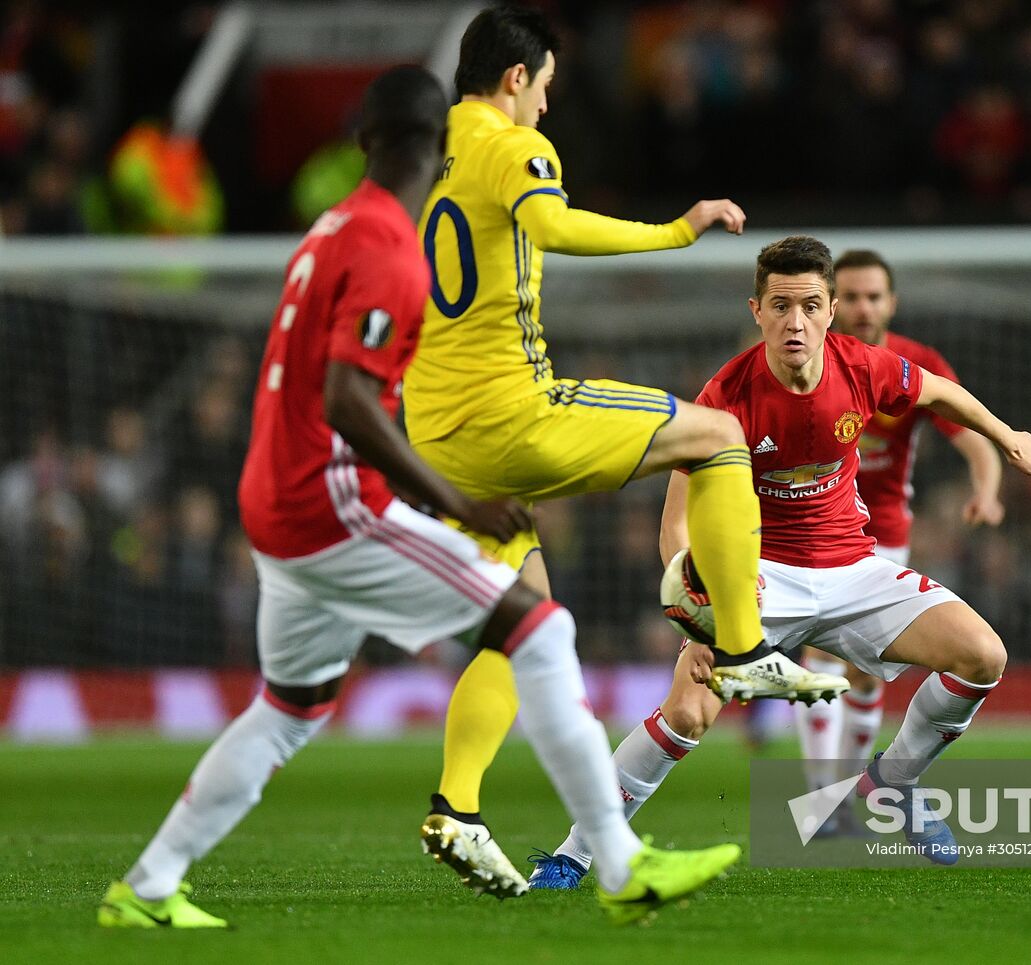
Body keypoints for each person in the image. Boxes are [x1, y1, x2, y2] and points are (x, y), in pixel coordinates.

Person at [96, 66, 738, 929]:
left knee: (289, 709)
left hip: (272, 502)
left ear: (363, 144)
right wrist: (457, 499)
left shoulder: (328, 228)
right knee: (539, 628)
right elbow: (347, 399)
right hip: (331, 507)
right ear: (437, 149)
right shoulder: (388, 249)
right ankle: (621, 865)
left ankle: (146, 884)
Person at [406, 5, 844, 893]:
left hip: (435, 433)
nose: (545, 111)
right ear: (519, 77)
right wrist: (675, 232)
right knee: (720, 436)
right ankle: (741, 645)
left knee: (521, 619)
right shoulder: (508, 145)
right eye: (546, 90)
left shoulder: (434, 158)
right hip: (508, 410)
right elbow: (557, 225)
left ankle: (456, 806)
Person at [527, 235, 1031, 887]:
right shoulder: (726, 397)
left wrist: (1007, 437)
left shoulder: (865, 366)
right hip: (758, 581)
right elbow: (677, 520)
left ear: (831, 309)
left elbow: (943, 394)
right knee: (687, 713)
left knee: (984, 655)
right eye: (781, 305)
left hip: (852, 570)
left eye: (809, 305)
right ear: (757, 310)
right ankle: (574, 853)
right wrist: (692, 622)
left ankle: (893, 780)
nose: (795, 321)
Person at [793, 249, 1006, 834]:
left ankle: (846, 791)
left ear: (892, 303)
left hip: (883, 534)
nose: (863, 308)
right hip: (811, 531)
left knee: (864, 673)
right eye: (852, 297)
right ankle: (824, 798)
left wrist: (986, 491)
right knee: (821, 658)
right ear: (835, 304)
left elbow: (970, 435)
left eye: (873, 297)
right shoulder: (807, 360)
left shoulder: (914, 363)